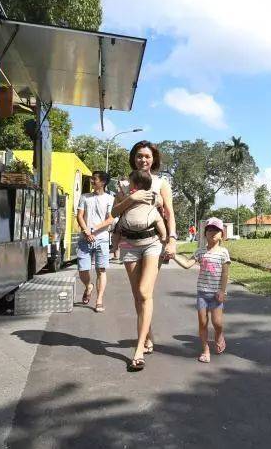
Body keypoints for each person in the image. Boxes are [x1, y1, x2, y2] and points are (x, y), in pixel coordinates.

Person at [112, 141, 178, 371]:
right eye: (139, 156)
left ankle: (138, 350)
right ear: (134, 158)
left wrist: (172, 239)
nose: (143, 160)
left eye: (147, 156)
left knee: (144, 292)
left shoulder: (161, 183)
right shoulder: (123, 184)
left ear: (154, 159)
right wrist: (131, 198)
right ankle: (147, 335)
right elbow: (114, 212)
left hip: (153, 243)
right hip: (129, 244)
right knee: (137, 295)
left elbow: (169, 213)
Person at [173, 218, 230, 363]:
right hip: (202, 294)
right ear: (205, 234)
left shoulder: (223, 252)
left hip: (216, 294)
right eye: (209, 230)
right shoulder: (200, 252)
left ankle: (219, 335)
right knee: (203, 323)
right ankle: (205, 350)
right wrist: (173, 256)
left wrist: (222, 291)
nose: (212, 233)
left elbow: (225, 274)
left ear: (221, 234)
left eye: (216, 230)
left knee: (217, 323)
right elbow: (187, 264)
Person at [76, 171, 115, 313]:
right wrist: (86, 231)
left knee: (101, 270)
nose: (91, 181)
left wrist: (94, 229)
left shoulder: (110, 199)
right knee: (82, 269)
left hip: (102, 239)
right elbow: (79, 216)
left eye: (94, 179)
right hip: (84, 239)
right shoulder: (84, 197)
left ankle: (99, 300)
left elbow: (110, 219)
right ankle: (88, 286)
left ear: (103, 182)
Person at [111, 169, 167, 251]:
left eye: (130, 182)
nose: (128, 184)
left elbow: (159, 202)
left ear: (137, 185)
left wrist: (125, 197)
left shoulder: (131, 192)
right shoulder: (147, 193)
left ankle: (115, 245)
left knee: (117, 229)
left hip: (149, 236)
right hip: (130, 235)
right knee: (159, 220)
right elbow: (158, 202)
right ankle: (164, 235)